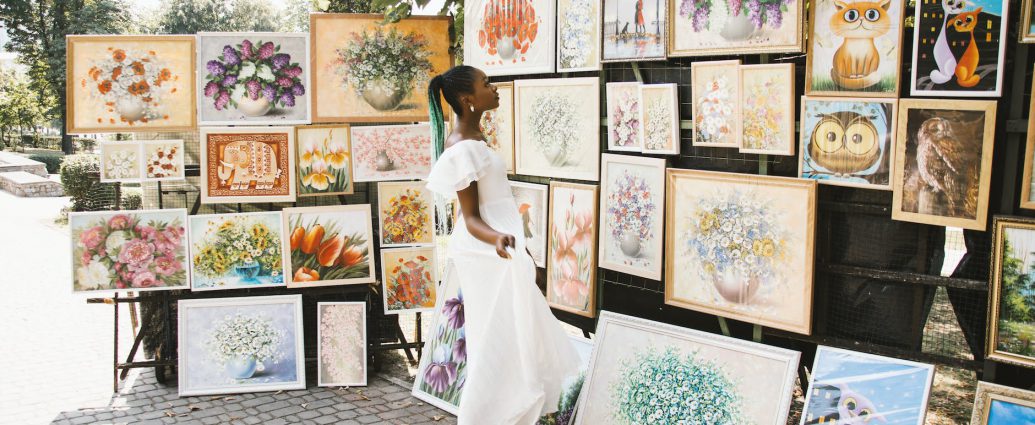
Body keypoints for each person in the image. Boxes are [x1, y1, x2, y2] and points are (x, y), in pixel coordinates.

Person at [423, 65, 582, 424]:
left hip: (502, 250)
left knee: (516, 334)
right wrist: (499, 240)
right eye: (486, 84)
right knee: (496, 337)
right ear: (468, 100)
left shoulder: (475, 139)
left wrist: (519, 248)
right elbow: (471, 218)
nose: (494, 89)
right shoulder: (461, 148)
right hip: (485, 252)